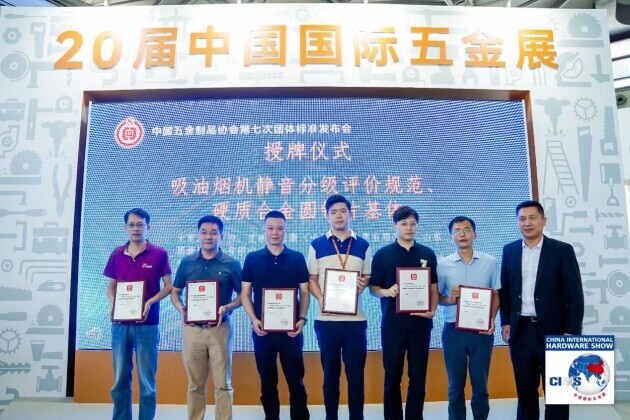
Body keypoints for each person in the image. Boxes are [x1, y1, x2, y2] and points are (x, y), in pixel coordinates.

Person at [500, 200, 584, 420]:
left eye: (532, 218)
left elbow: (575, 296)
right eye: (522, 219)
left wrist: (571, 332)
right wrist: (505, 322)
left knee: (557, 393)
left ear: (543, 220)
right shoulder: (509, 250)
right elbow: (506, 290)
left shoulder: (562, 250)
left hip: (555, 331)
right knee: (525, 391)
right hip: (521, 331)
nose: (527, 223)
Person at [369, 205, 438, 420]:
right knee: (392, 378)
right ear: (394, 226)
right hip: (393, 326)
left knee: (418, 378)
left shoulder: (427, 253)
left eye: (413, 224)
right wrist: (386, 291)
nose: (409, 228)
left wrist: (433, 309)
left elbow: (433, 288)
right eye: (404, 223)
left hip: (420, 326)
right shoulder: (382, 255)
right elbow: (373, 288)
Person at [170, 215, 242, 420]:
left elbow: (243, 296)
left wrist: (227, 308)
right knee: (195, 385)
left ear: (221, 236)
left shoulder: (232, 263)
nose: (208, 236)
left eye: (213, 232)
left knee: (223, 384)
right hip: (193, 331)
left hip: (220, 330)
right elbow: (175, 292)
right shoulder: (187, 262)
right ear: (198, 235)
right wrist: (181, 308)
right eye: (204, 232)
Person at [241, 210, 310, 420]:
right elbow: (245, 294)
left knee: (296, 382)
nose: (275, 232)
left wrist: (302, 319)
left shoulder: (297, 258)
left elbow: (304, 293)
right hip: (263, 332)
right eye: (270, 228)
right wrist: (254, 320)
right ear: (263, 230)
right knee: (267, 383)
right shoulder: (252, 258)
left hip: (291, 332)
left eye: (279, 228)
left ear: (286, 230)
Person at [105, 208, 173, 420]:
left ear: (148, 227)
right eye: (132, 224)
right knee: (119, 380)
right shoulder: (117, 254)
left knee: (147, 382)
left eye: (140, 224)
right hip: (120, 325)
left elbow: (169, 286)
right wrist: (113, 304)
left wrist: (150, 302)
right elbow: (111, 285)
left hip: (147, 324)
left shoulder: (159, 253)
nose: (136, 228)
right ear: (125, 228)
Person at [308, 194, 371, 420]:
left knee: (356, 376)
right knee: (330, 376)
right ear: (327, 216)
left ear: (350, 214)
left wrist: (364, 282)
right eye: (333, 212)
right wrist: (322, 299)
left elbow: (367, 275)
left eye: (343, 211)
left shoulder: (363, 244)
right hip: (326, 322)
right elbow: (311, 279)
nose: (339, 216)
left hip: (355, 322)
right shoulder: (316, 244)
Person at [437, 216, 500, 420]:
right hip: (453, 331)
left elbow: (496, 295)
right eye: (457, 231)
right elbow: (437, 298)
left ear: (475, 234)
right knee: (455, 387)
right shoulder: (442, 264)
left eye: (466, 230)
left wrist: (491, 319)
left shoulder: (490, 262)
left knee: (480, 386)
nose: (462, 234)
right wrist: (450, 299)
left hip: (481, 332)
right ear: (451, 237)